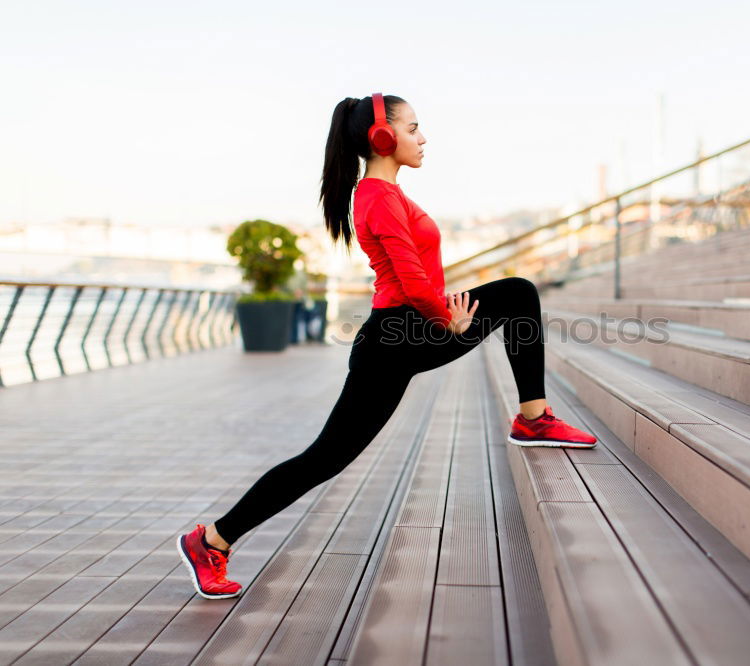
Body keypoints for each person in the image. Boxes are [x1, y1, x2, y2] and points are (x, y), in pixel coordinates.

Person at [177, 92, 598, 600]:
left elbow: (416, 279)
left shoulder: (385, 194)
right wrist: (451, 320)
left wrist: (445, 315)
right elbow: (414, 282)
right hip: (397, 336)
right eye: (414, 128)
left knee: (326, 456)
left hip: (399, 333)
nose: (423, 138)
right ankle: (211, 540)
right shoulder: (377, 196)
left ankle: (214, 539)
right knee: (325, 457)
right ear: (382, 136)